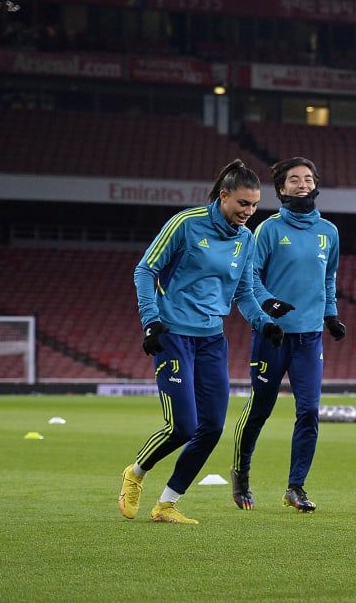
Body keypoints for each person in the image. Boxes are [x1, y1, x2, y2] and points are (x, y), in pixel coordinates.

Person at [118, 159, 289, 524]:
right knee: (182, 426)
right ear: (223, 196)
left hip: (212, 340)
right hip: (174, 336)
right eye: (243, 203)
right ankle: (135, 473)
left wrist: (264, 322)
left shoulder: (245, 239)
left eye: (255, 205)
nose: (249, 212)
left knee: (211, 427)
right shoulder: (186, 224)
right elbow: (145, 269)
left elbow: (244, 292)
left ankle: (167, 503)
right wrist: (151, 322)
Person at [229, 157, 345, 513]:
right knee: (261, 408)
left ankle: (295, 487)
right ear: (280, 189)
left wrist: (331, 316)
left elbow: (329, 278)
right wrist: (268, 306)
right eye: (294, 179)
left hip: (310, 338)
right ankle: (241, 473)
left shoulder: (329, 231)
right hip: (273, 335)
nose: (302, 184)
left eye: (308, 178)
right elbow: (249, 277)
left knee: (309, 411)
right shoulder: (267, 230)